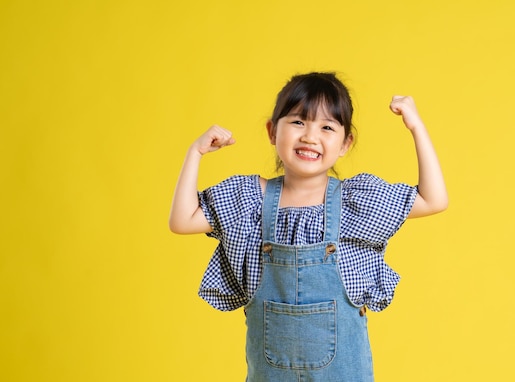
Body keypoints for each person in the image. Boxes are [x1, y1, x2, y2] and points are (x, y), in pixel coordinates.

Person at [169, 72, 448, 381]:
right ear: (272, 132)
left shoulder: (354, 203)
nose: (310, 137)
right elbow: (182, 221)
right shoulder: (249, 201)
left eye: (327, 127)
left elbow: (433, 199)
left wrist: (416, 127)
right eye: (298, 122)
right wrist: (194, 153)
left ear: (345, 143)